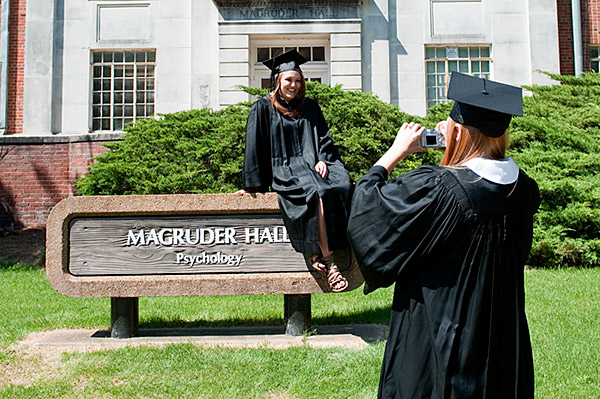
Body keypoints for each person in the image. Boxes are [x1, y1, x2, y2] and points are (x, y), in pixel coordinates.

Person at [347, 72, 540, 398]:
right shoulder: (524, 191)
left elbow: (367, 209)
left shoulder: (440, 188)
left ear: (460, 133)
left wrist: (395, 152)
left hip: (441, 338)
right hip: (502, 341)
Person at [241, 49, 353, 292]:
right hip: (286, 169)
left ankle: (341, 251)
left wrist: (323, 158)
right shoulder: (262, 108)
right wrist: (252, 185)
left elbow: (324, 137)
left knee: (343, 183)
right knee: (317, 192)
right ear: (277, 81)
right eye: (288, 80)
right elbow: (254, 147)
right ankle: (330, 261)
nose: (294, 85)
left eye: (298, 81)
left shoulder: (310, 107)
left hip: (315, 164)